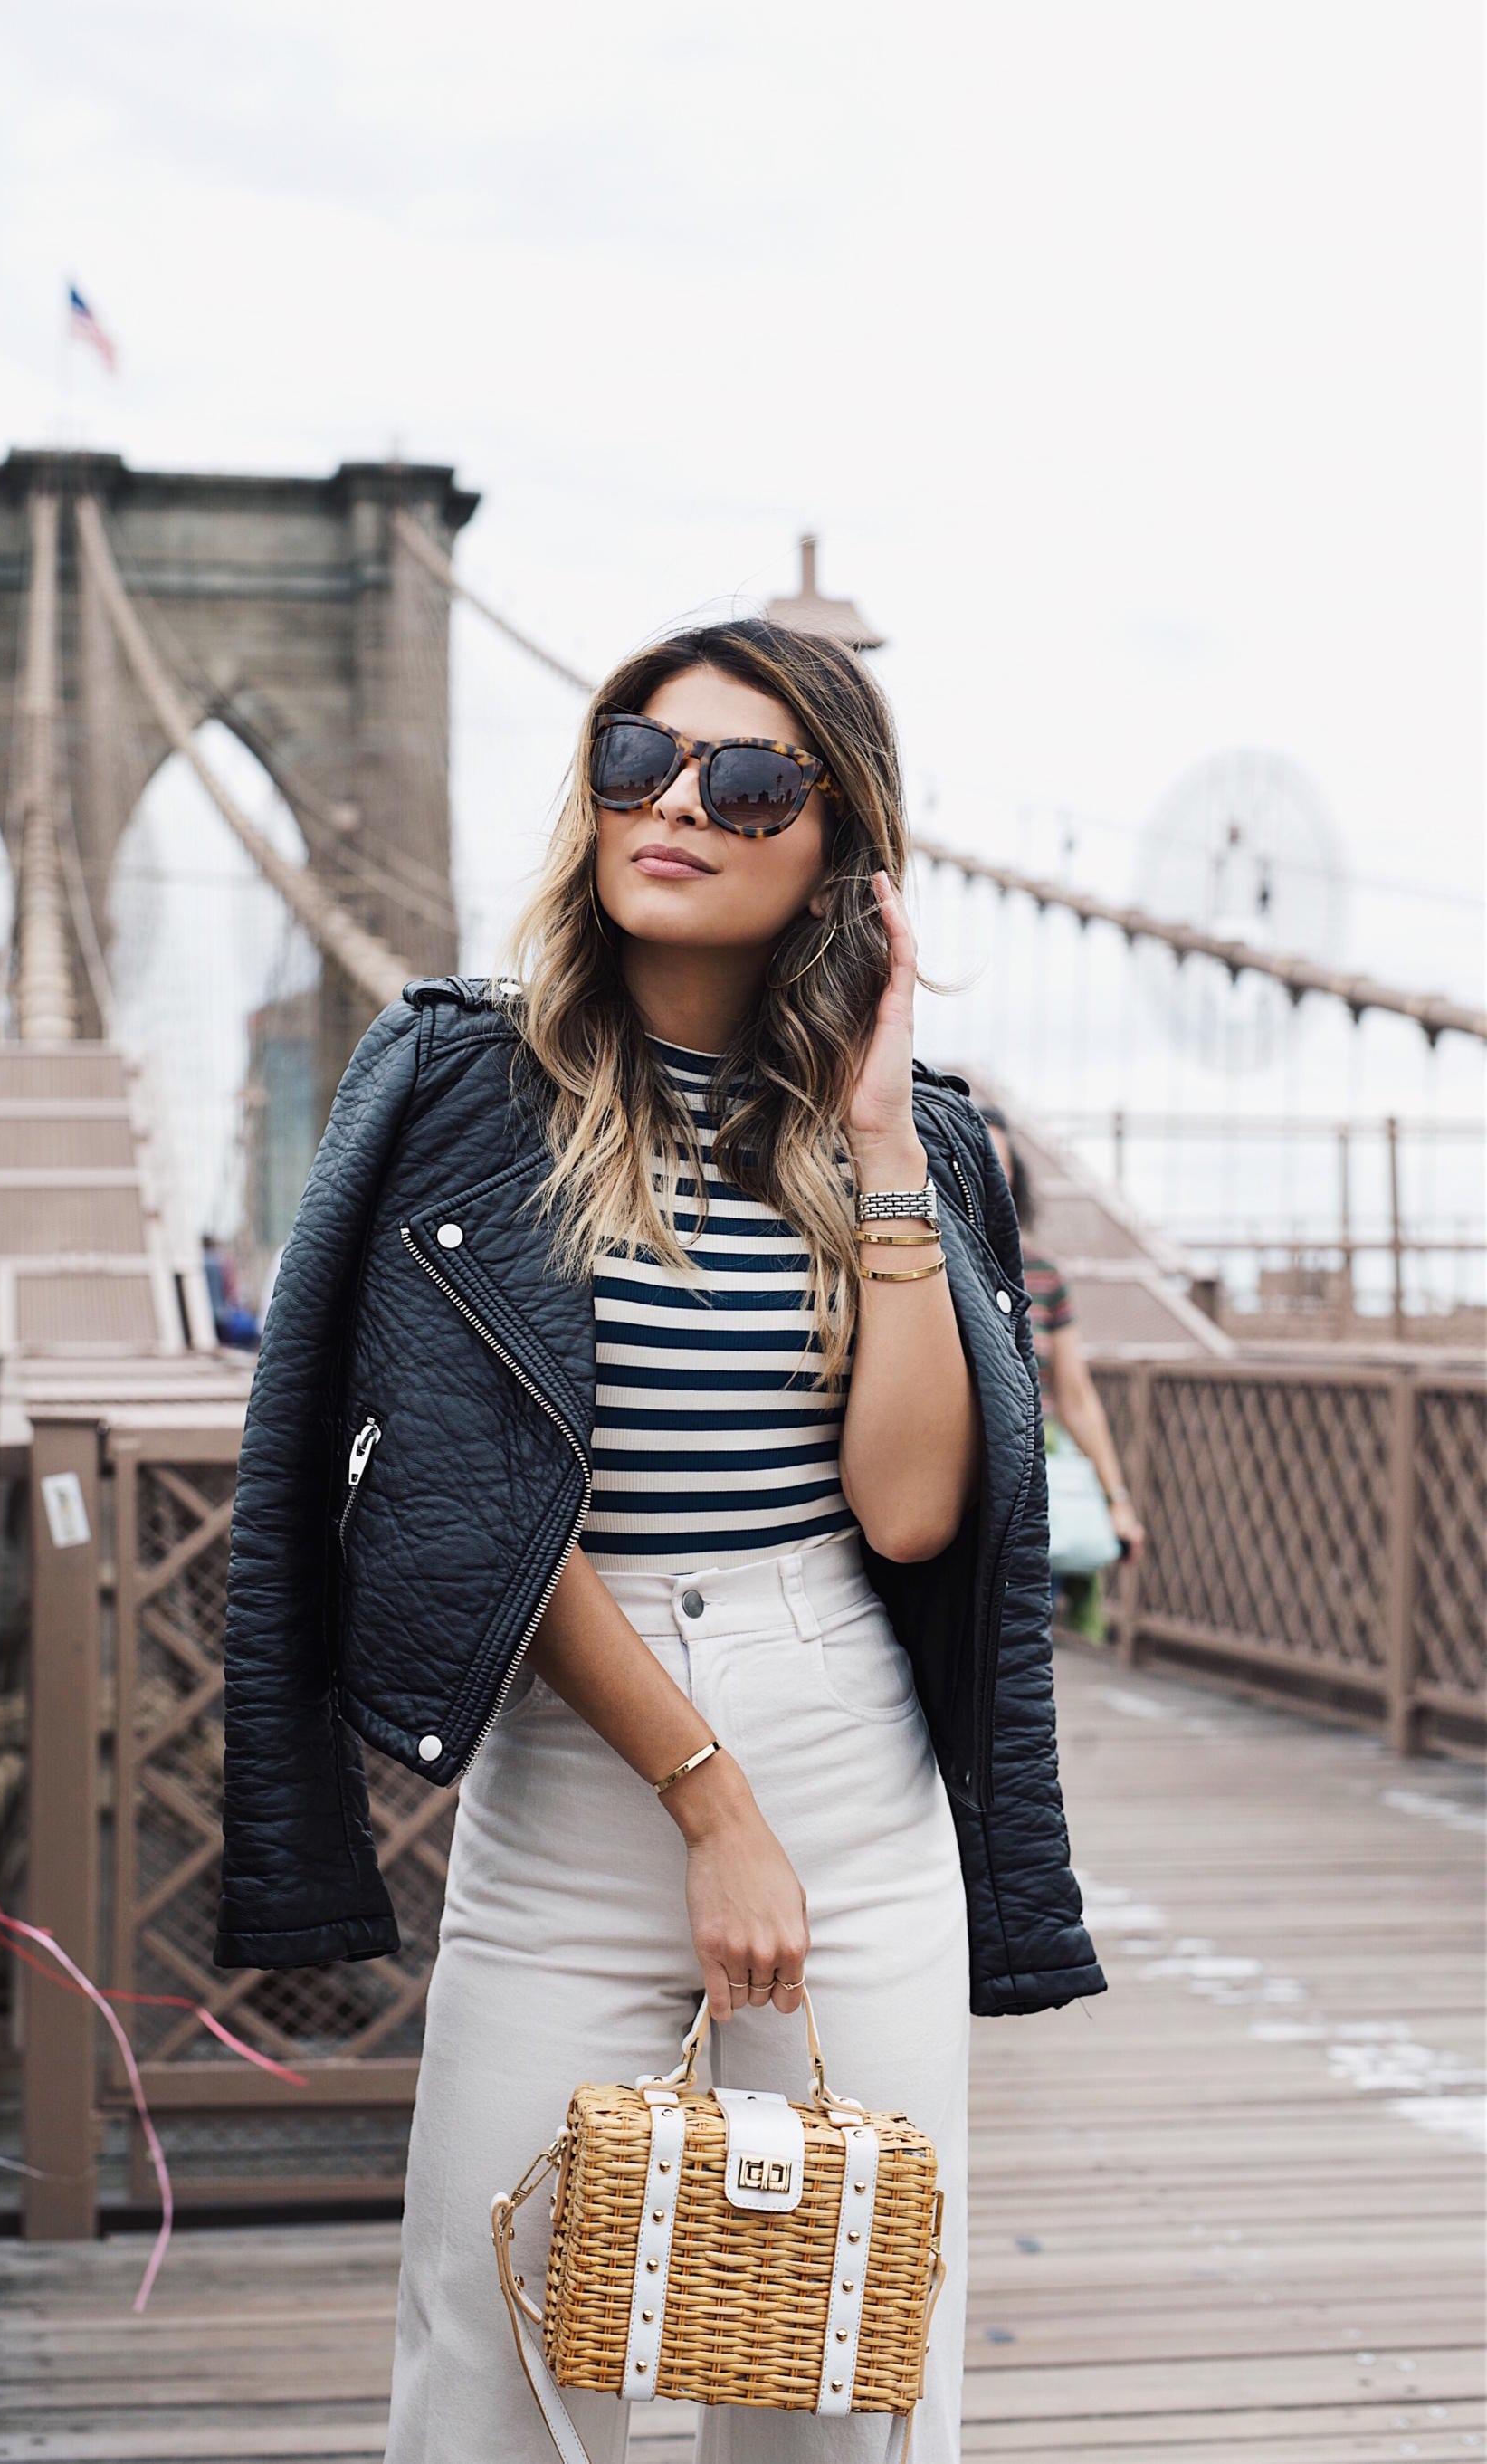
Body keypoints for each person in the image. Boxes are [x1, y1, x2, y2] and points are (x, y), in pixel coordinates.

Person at [214, 619, 1104, 2463]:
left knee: (841, 2369)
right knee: (508, 2357)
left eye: (748, 779)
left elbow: (914, 1506)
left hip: (848, 1750)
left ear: (838, 854)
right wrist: (706, 1798)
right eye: (639, 758)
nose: (677, 802)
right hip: (581, 1761)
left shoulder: (921, 1137)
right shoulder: (463, 1086)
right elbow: (469, 1490)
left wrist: (875, 1142)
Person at [979, 1105, 1146, 1636]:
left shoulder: (1044, 1276)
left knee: (1026, 1654)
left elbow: (1076, 1398)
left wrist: (1117, 1501)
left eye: (998, 1168)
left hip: (1031, 1487)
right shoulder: (917, 1264)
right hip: (958, 1494)